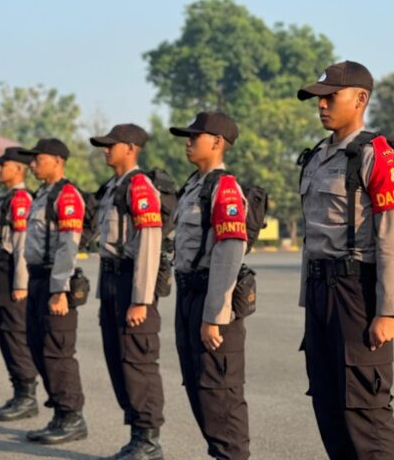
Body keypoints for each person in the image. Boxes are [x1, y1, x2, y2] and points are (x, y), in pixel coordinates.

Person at [296, 60, 394, 459]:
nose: (322, 105)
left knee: (364, 410)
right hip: (320, 292)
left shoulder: (377, 155)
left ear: (361, 99)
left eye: (331, 97)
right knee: (328, 403)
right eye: (319, 99)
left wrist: (388, 311)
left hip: (356, 293)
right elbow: (313, 235)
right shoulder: (316, 157)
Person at [170, 112, 250, 460]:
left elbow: (230, 250)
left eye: (194, 137)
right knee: (198, 385)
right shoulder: (194, 185)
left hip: (211, 297)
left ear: (217, 142)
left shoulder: (224, 187)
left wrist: (214, 315)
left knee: (219, 392)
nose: (188, 142)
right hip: (188, 293)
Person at [91, 124, 165, 460]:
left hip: (130, 281)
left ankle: (148, 439)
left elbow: (149, 243)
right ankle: (136, 434)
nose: (106, 150)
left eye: (112, 145)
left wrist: (141, 299)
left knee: (137, 361)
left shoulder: (139, 186)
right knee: (117, 357)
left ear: (131, 148)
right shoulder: (113, 188)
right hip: (111, 280)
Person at [21, 138, 88, 444]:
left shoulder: (67, 194)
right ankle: (60, 414)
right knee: (38, 347)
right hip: (37, 279)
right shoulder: (41, 195)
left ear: (58, 161)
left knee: (57, 350)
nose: (33, 163)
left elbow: (67, 246)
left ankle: (72, 416)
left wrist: (60, 289)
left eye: (39, 158)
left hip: (55, 280)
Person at [0, 147, 40, 421]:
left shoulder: (20, 199)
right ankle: (18, 391)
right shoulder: (3, 198)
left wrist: (20, 283)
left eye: (3, 164)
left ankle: (27, 395)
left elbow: (21, 245)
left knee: (15, 332)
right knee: (5, 331)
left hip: (10, 271)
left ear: (18, 168)